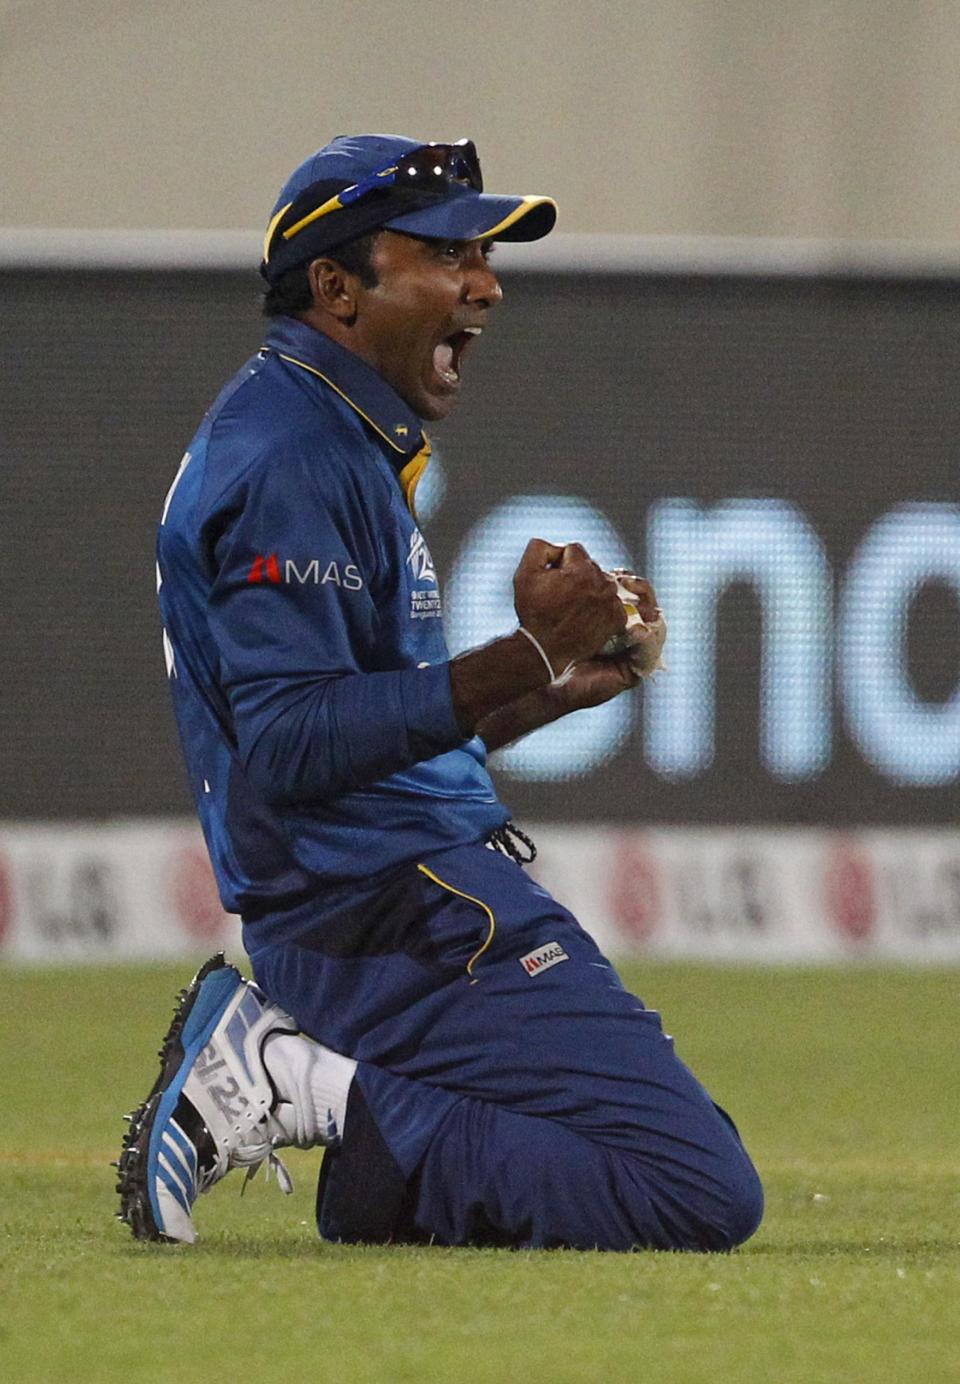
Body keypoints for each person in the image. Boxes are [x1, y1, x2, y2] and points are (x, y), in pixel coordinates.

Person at [116, 134, 763, 1252]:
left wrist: (555, 680)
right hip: (395, 911)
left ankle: (371, 1147)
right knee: (692, 1187)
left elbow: (364, 734)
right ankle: (290, 1081)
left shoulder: (323, 434)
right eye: (449, 253)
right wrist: (521, 651)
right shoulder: (290, 459)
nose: (487, 284)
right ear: (336, 287)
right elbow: (288, 746)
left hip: (387, 899)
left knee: (658, 1144)